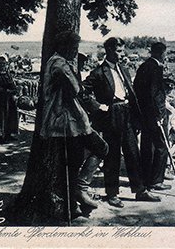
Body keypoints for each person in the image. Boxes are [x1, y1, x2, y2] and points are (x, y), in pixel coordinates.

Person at [79, 37, 160, 209]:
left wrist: (137, 118)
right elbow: (81, 91)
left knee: (133, 153)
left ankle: (140, 190)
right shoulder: (99, 73)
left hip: (127, 114)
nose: (122, 54)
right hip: (111, 115)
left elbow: (132, 95)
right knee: (112, 156)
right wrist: (98, 107)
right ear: (108, 50)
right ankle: (112, 194)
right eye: (118, 50)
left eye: (123, 50)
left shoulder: (124, 69)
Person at [39, 31, 109, 220]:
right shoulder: (59, 63)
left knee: (88, 154)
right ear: (66, 47)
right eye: (74, 48)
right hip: (64, 121)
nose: (75, 52)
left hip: (73, 120)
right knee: (76, 161)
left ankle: (79, 191)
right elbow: (76, 88)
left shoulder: (62, 62)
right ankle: (73, 202)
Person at [134, 42, 172, 191]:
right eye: (165, 53)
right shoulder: (156, 68)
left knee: (146, 146)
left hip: (144, 114)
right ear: (161, 53)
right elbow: (154, 93)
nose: (165, 56)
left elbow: (137, 90)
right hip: (155, 115)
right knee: (162, 146)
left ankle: (145, 178)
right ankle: (156, 181)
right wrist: (159, 115)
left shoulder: (143, 67)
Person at [0, 56, 19, 143]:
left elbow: (12, 83)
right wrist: (9, 91)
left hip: (8, 99)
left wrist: (14, 89)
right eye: (1, 64)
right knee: (0, 118)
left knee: (10, 116)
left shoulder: (7, 73)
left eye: (4, 64)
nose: (3, 66)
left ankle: (9, 134)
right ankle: (0, 136)